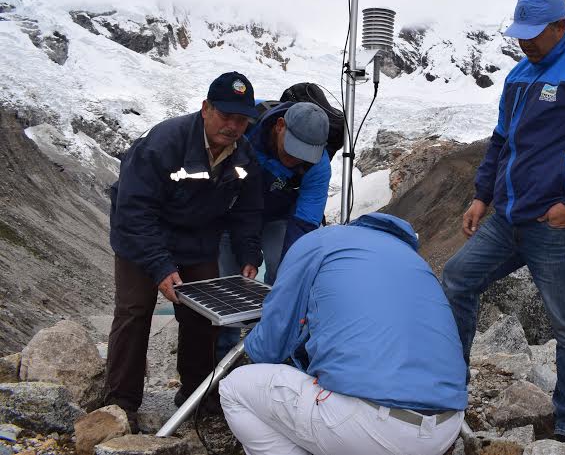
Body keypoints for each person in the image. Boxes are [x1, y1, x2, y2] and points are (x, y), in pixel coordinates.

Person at [441, 0, 565, 451]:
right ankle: (448, 390)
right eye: (519, 33)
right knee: (456, 279)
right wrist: (482, 197)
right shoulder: (519, 75)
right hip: (508, 217)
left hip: (558, 224)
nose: (524, 42)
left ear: (560, 26)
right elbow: (501, 141)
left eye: (533, 33)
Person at [219, 213, 467, 455]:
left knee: (234, 388)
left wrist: (255, 343)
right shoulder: (414, 260)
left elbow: (268, 347)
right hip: (447, 427)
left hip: (370, 427)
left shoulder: (320, 242)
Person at [103, 72, 263, 425]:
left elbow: (248, 211)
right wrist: (160, 266)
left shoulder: (244, 155)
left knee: (202, 315)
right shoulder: (162, 144)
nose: (233, 126)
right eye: (226, 115)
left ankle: (195, 395)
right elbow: (134, 211)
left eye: (241, 120)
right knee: (134, 310)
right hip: (141, 236)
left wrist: (249, 253)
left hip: (196, 239)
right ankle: (121, 403)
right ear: (206, 108)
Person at [215, 102, 331, 359]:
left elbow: (304, 223)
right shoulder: (245, 126)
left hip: (280, 216)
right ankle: (224, 354)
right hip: (231, 214)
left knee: (286, 270)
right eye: (293, 148)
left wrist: (292, 266)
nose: (295, 159)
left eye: (304, 154)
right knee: (228, 284)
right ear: (280, 126)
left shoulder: (318, 166)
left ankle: (271, 342)